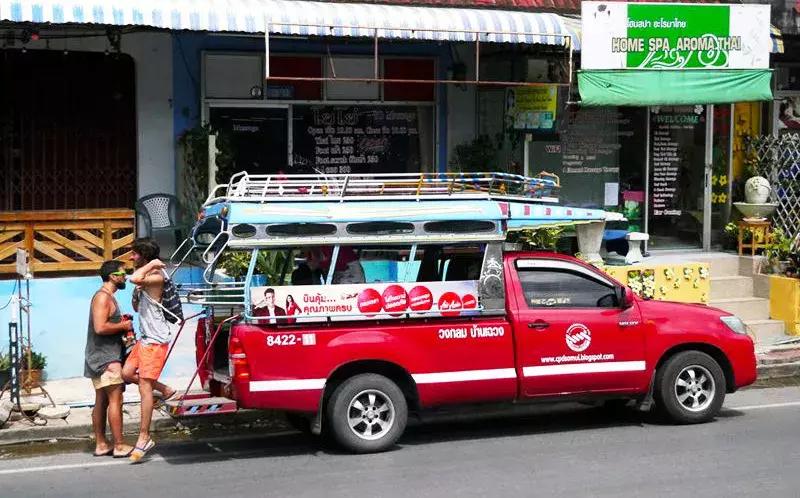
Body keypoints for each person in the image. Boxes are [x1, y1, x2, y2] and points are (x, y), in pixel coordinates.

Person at [122, 238, 176, 463]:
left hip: (156, 341)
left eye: (134, 254)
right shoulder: (145, 279)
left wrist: (152, 264)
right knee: (126, 373)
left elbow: (134, 277)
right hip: (145, 339)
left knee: (144, 388)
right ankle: (164, 389)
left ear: (144, 256)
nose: (131, 258)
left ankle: (144, 438)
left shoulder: (156, 277)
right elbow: (136, 306)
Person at [84, 260, 135, 458]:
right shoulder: (102, 298)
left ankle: (102, 444)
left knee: (102, 400)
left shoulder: (108, 297)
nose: (126, 277)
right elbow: (100, 327)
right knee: (116, 400)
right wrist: (124, 327)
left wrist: (121, 323)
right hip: (106, 359)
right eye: (123, 273)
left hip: (101, 357)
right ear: (113, 276)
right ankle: (119, 445)